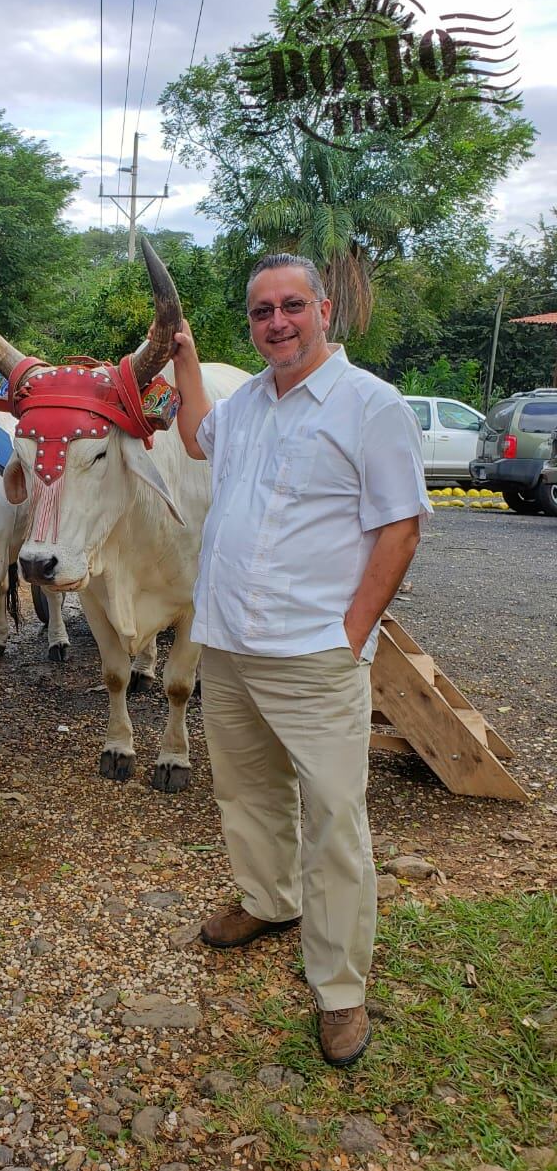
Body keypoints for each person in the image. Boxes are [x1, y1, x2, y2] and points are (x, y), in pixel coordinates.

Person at [172, 253, 430, 1066]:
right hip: (230, 646)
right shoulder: (244, 403)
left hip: (314, 654)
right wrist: (183, 363)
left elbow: (401, 526)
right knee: (247, 794)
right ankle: (269, 900)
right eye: (260, 312)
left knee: (335, 821)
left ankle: (341, 988)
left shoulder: (370, 405)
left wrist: (350, 634)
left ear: (323, 309)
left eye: (291, 306)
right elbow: (193, 437)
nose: (276, 322)